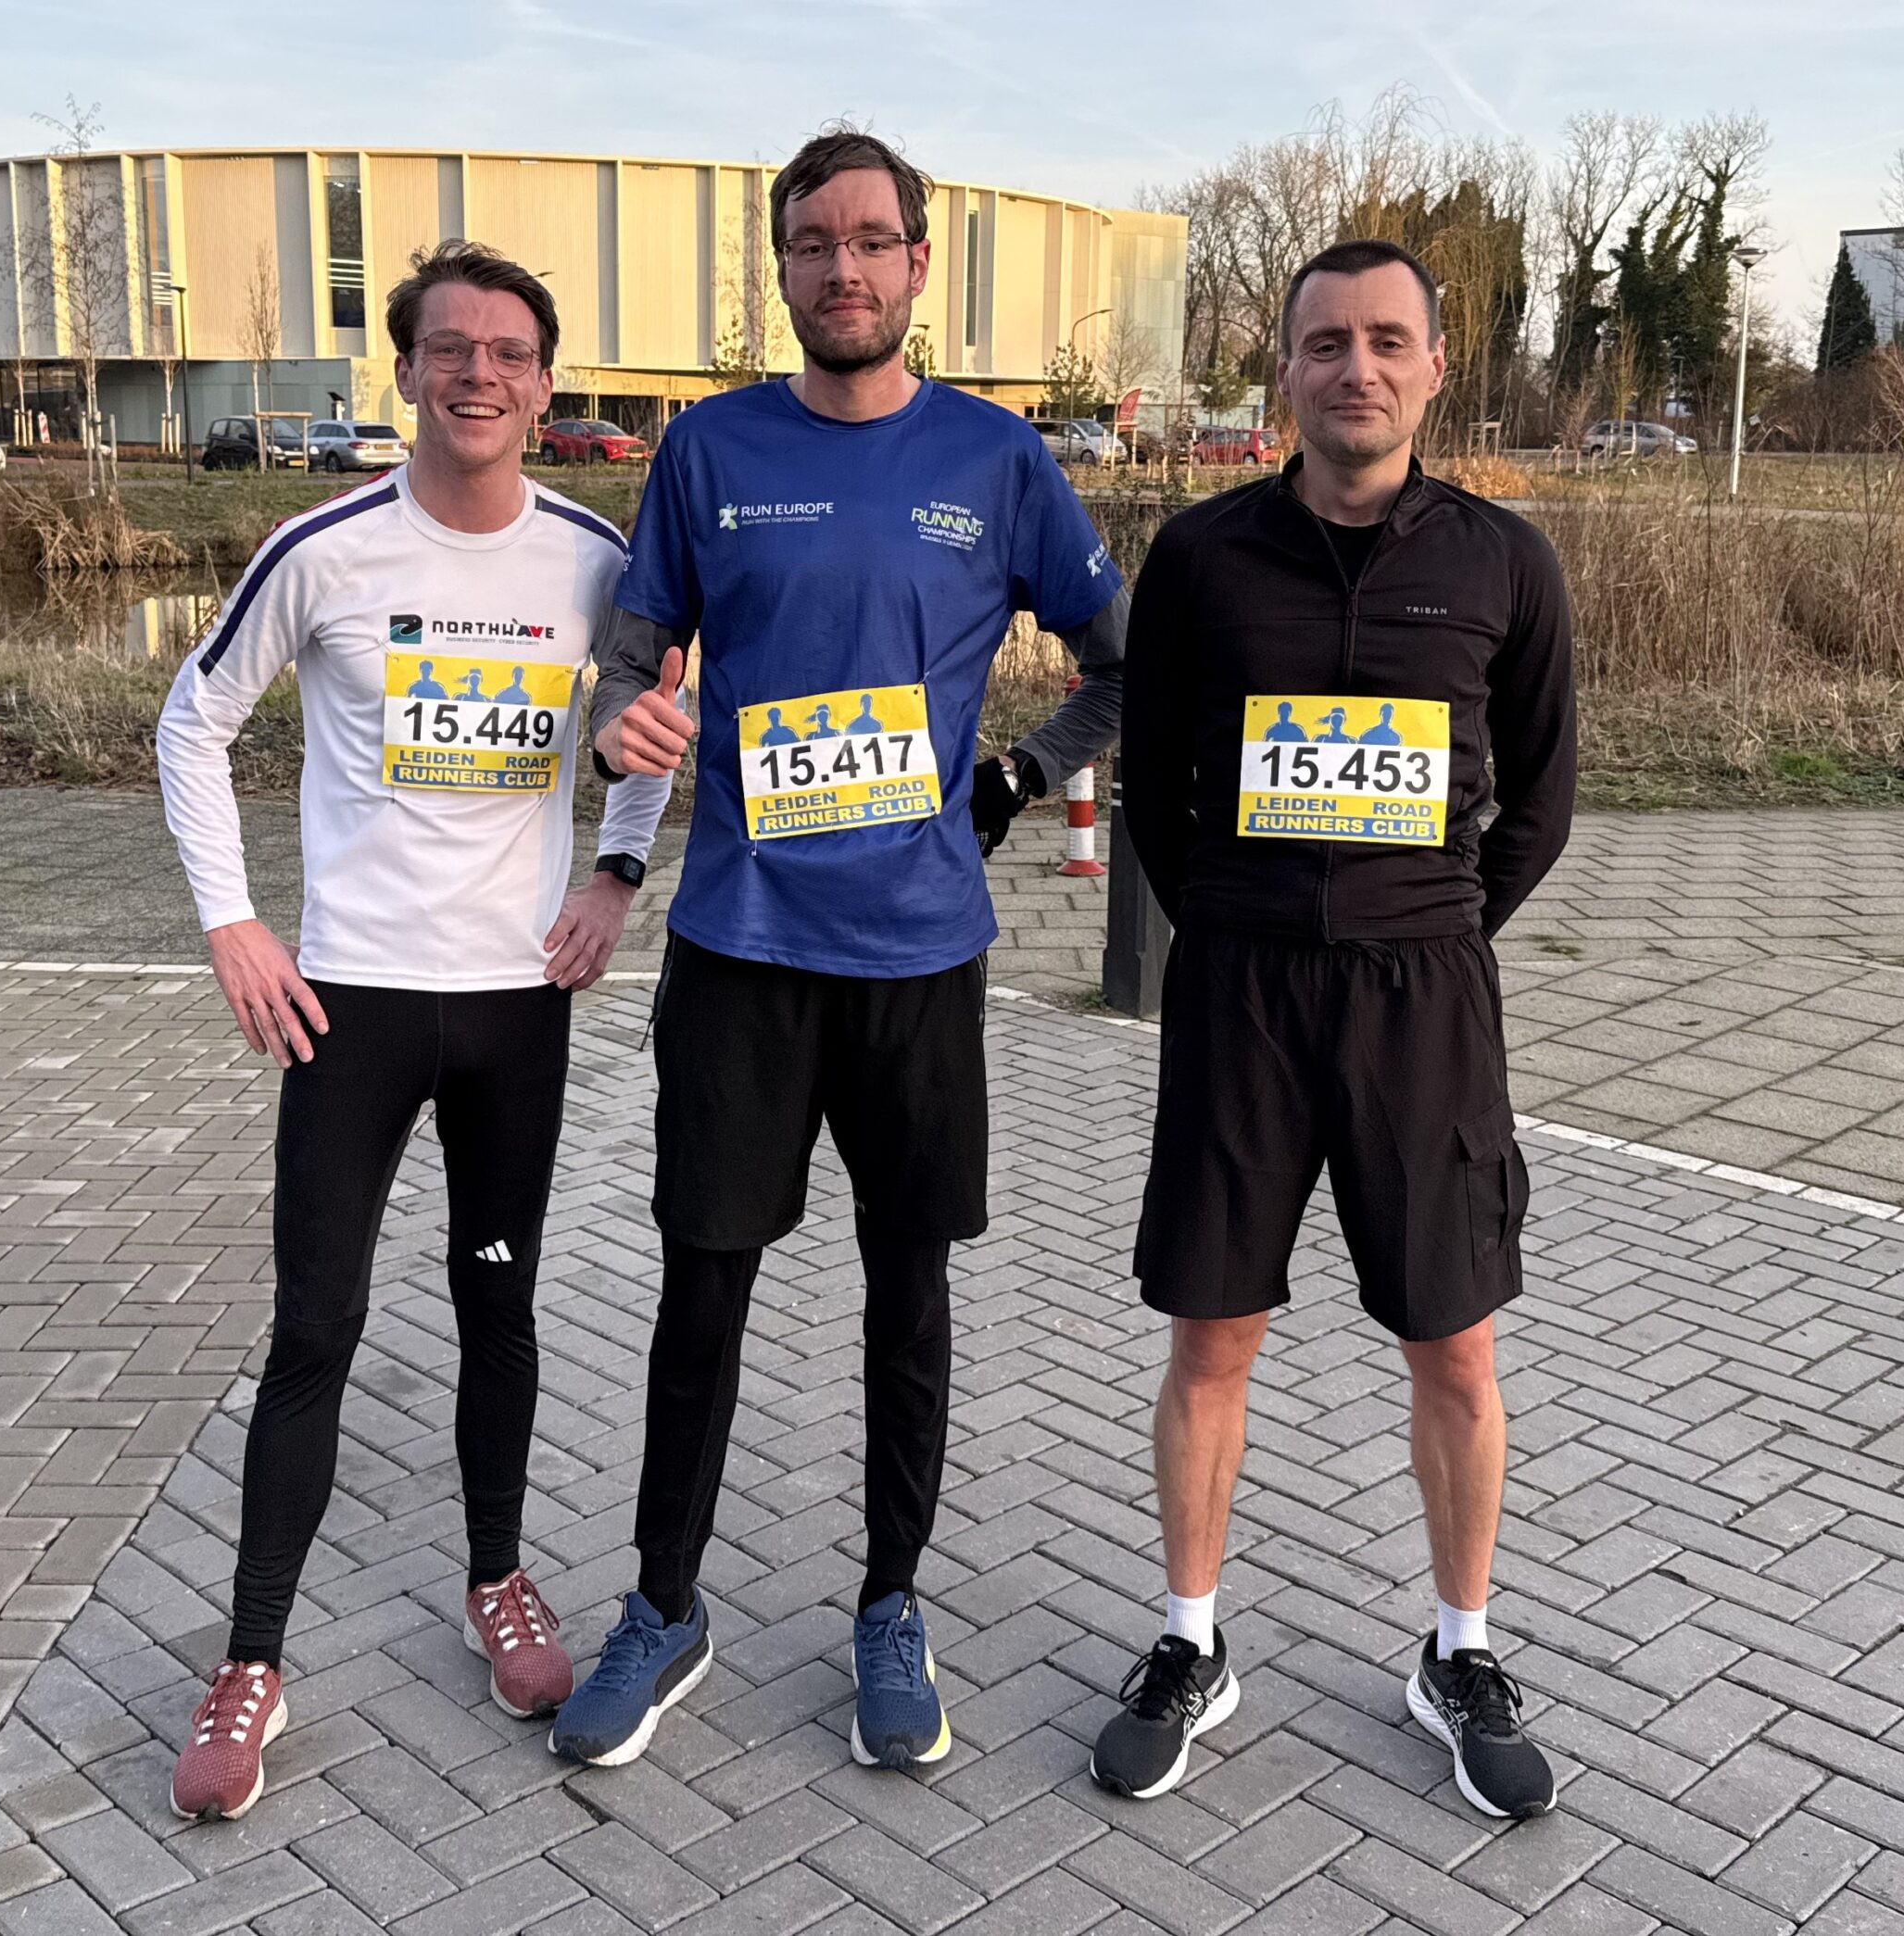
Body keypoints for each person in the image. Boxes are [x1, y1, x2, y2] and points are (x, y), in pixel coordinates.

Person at [548, 124, 1128, 1773]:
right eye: (814, 244)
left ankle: (890, 1597)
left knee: (907, 1289)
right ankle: (664, 1604)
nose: (845, 270)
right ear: (783, 267)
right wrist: (629, 711)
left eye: (873, 242)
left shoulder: (999, 460)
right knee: (703, 1283)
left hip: (920, 955)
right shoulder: (710, 449)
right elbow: (638, 638)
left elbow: (1115, 655)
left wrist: (1019, 776)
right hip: (740, 944)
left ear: (919, 267)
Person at [153, 240, 672, 1823]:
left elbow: (651, 720)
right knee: (317, 1325)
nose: (482, 376)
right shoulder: (323, 551)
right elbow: (192, 716)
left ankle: (498, 1578)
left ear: (544, 380)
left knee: (497, 1309)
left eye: (512, 353)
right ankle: (252, 1657)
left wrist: (617, 867)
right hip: (353, 1004)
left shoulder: (593, 561)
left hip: (517, 1006)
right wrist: (235, 924)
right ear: (408, 372)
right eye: (452, 349)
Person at [1093, 238, 1574, 1817]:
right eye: (1324, 343)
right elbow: (1157, 781)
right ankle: (1187, 1639)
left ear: (1436, 365)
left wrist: (1423, 926)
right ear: (1285, 369)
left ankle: (1460, 1644)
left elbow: (1542, 802)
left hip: (1422, 1001)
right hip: (1238, 996)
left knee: (1455, 1338)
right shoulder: (1205, 557)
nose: (1354, 368)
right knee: (1211, 1330)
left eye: (1386, 341)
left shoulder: (1505, 563)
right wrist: (1241, 918)